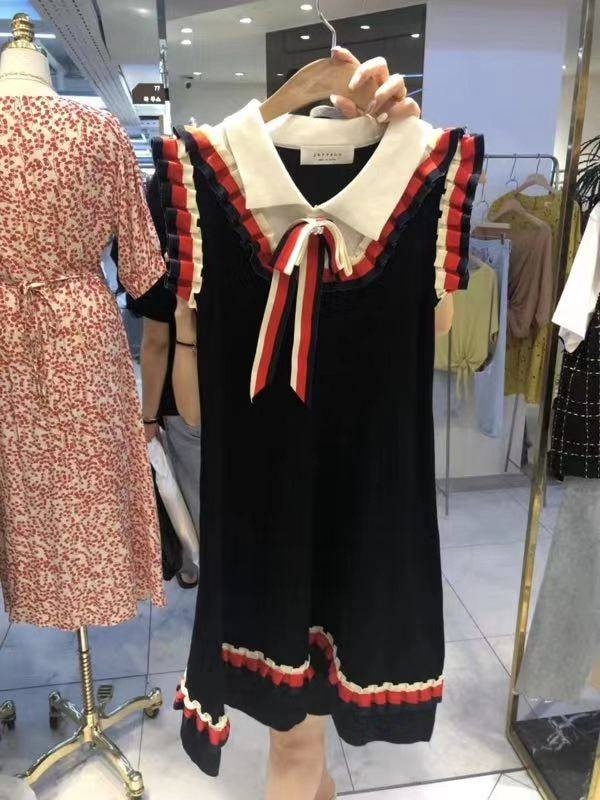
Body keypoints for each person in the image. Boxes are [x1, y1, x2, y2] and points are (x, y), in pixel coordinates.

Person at [168, 48, 456, 800]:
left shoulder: (427, 174)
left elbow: (192, 409)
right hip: (333, 524)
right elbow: (442, 329)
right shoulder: (206, 178)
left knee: (297, 748)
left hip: (285, 518)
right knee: (297, 748)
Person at [127, 175, 201, 589]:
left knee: (190, 489)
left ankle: (195, 566)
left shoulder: (164, 264)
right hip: (244, 387)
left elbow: (155, 343)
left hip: (180, 395)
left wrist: (147, 418)